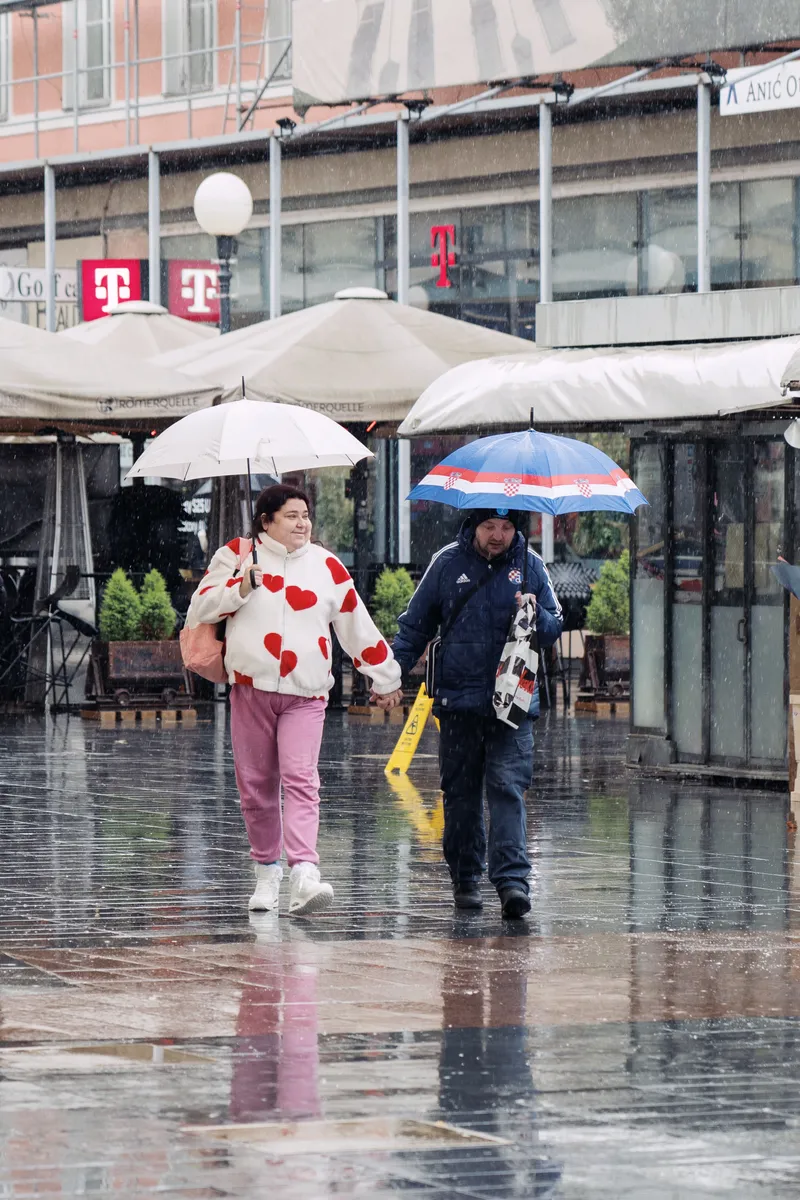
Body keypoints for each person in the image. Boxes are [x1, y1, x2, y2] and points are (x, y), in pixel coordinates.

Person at [186, 484, 403, 916]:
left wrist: (385, 677)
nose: (303, 523)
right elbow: (200, 608)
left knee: (301, 778)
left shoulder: (326, 565)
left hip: (307, 693)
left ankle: (304, 870)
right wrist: (240, 587)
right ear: (266, 521)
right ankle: (266, 872)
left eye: (306, 514)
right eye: (291, 515)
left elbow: (355, 625)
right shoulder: (236, 554)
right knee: (256, 786)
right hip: (251, 689)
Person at [392, 509, 563, 920]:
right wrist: (389, 675)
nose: (498, 536)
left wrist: (534, 611)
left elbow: (555, 625)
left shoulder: (531, 565)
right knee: (461, 795)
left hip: (513, 705)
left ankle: (512, 883)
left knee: (508, 789)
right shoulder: (447, 563)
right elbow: (415, 626)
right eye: (490, 527)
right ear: (474, 526)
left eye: (506, 528)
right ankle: (466, 877)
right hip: (459, 703)